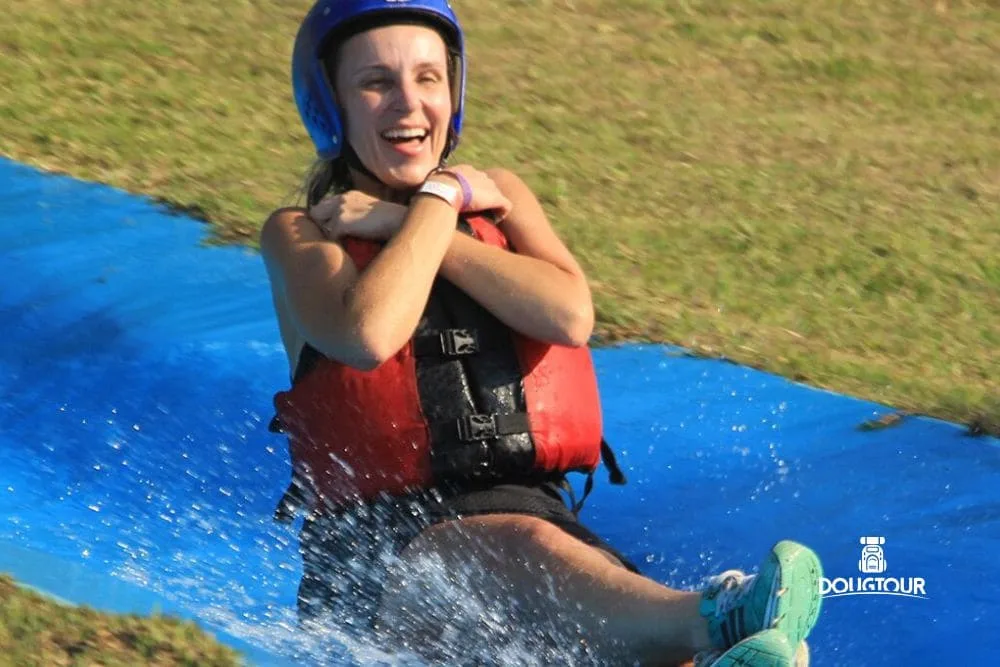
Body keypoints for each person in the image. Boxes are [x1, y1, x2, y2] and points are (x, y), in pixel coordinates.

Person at [259, 1, 824, 664]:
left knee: (623, 628)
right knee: (516, 556)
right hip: (380, 566)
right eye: (376, 82)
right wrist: (439, 202)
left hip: (538, 536)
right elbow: (367, 334)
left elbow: (569, 314)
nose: (408, 104)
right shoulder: (302, 235)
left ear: (455, 93)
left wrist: (410, 220)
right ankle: (717, 614)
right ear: (332, 106)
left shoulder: (500, 197)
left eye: (429, 79)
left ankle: (720, 642)